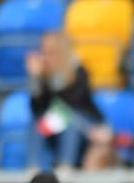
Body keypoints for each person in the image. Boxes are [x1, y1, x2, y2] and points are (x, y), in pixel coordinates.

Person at [26, 32, 107, 171]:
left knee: (68, 118)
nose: (45, 57)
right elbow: (36, 108)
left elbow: (72, 102)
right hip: (58, 123)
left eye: (51, 53)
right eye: (43, 52)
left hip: (84, 124)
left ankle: (65, 166)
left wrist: (55, 82)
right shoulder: (44, 77)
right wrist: (35, 80)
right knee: (38, 121)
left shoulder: (79, 72)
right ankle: (33, 167)